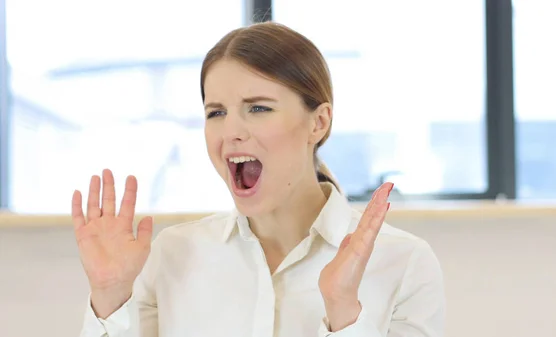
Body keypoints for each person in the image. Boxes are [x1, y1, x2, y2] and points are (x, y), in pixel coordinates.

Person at [72, 22, 445, 337]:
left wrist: (343, 312)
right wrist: (109, 295)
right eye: (216, 112)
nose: (230, 130)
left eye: (258, 108)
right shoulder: (172, 255)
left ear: (318, 122)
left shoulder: (404, 262)